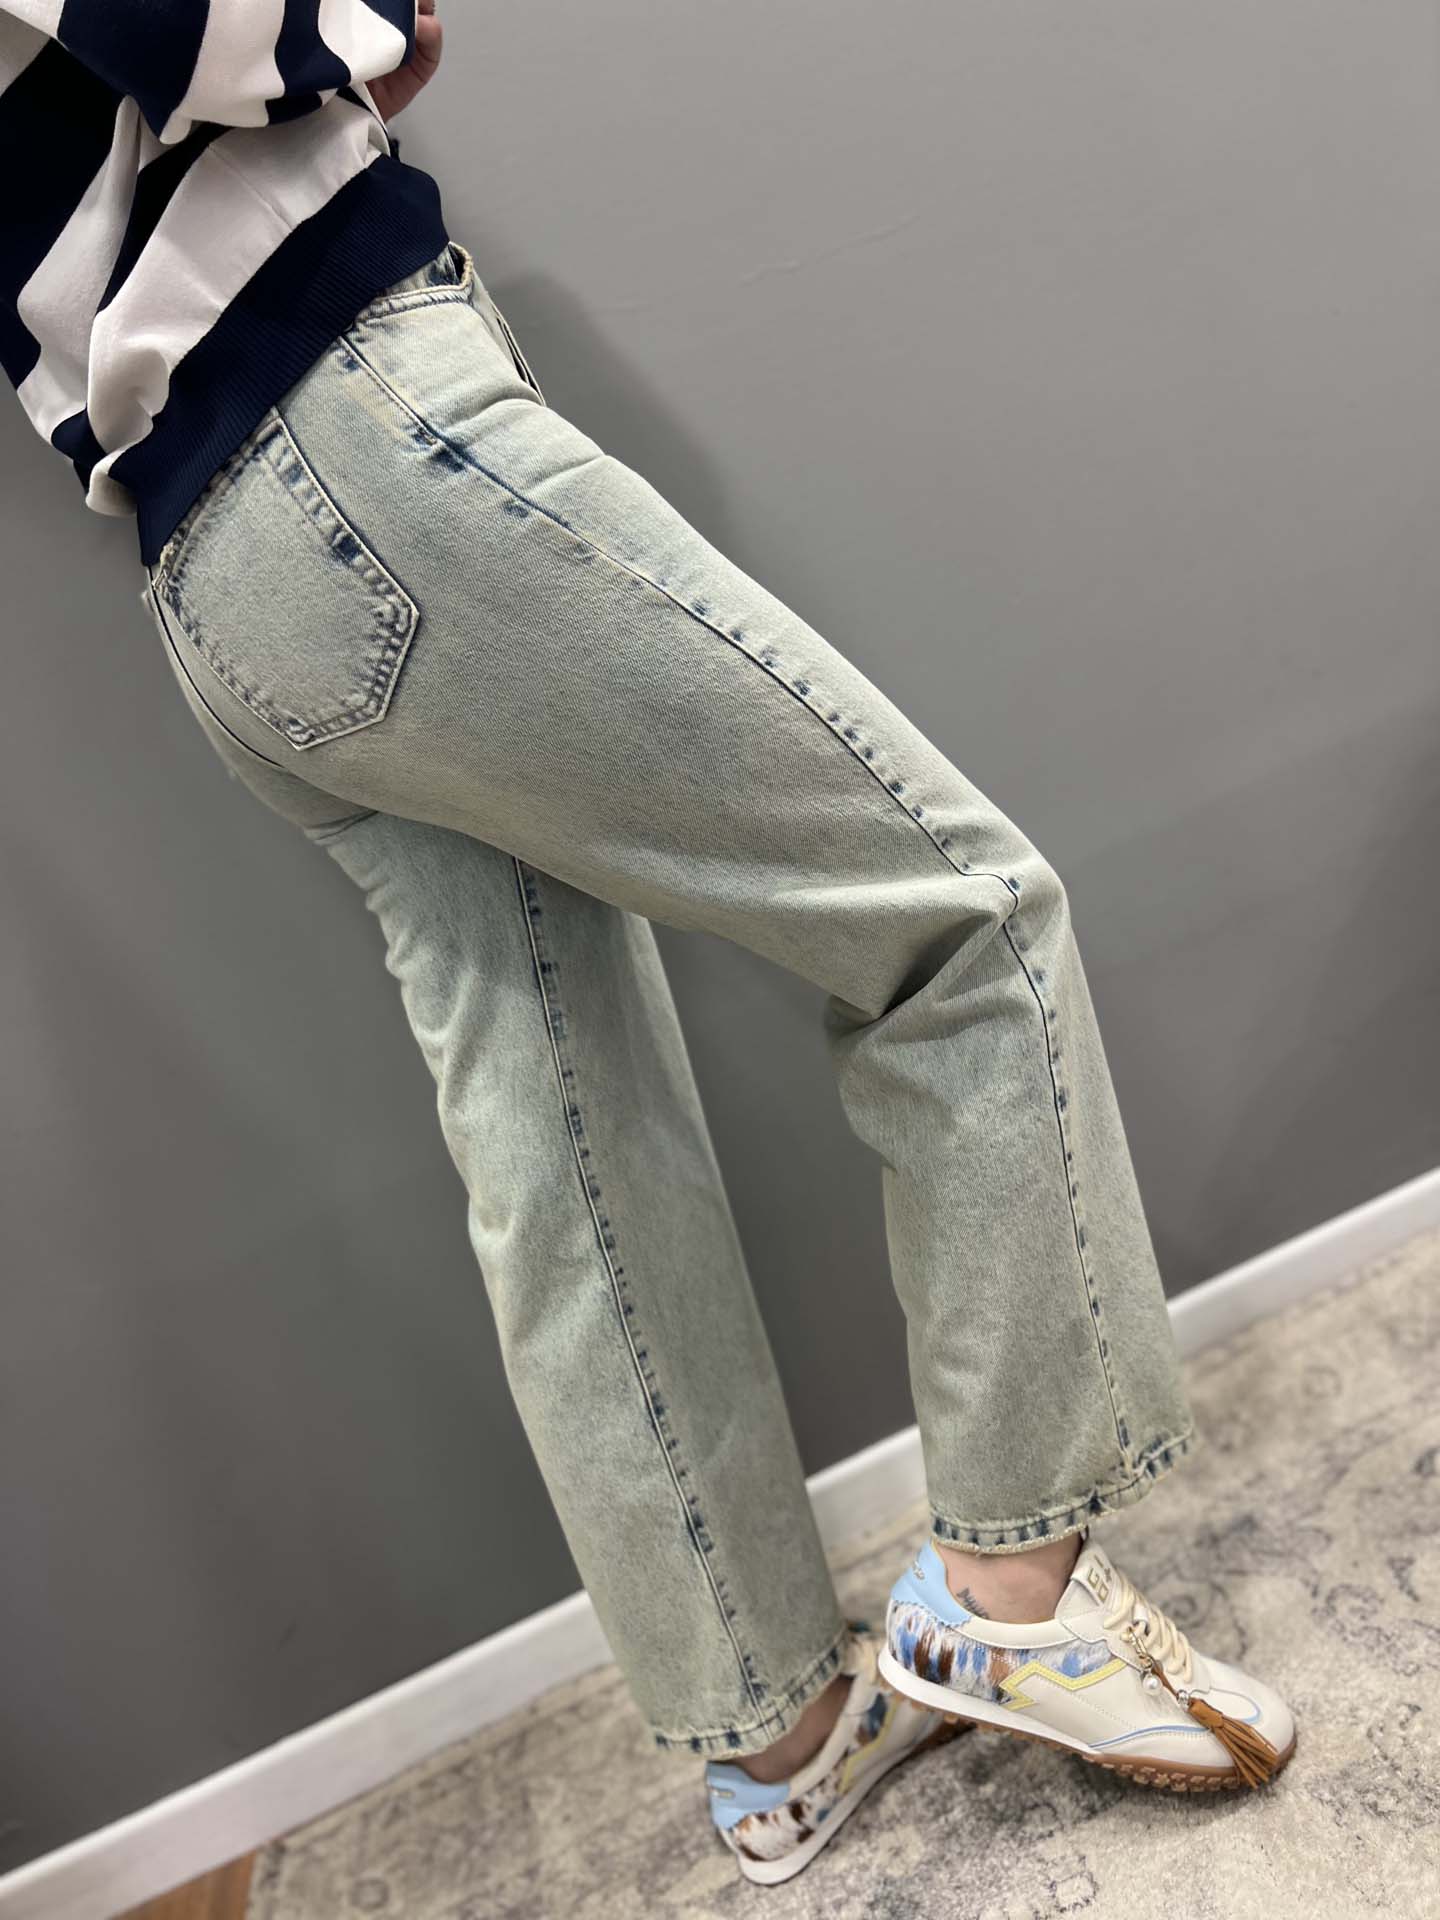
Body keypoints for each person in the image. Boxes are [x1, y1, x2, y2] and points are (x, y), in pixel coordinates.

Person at [1, 0, 1297, 1888]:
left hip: (215, 578)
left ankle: (775, 1739)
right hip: (350, 442)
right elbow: (216, 25)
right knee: (962, 927)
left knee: (561, 1145)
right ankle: (1010, 1595)